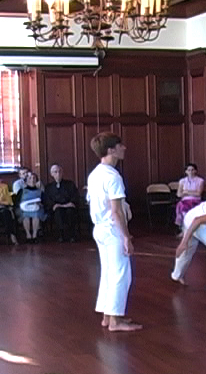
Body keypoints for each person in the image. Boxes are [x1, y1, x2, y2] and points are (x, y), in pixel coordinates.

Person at [87, 131, 142, 332]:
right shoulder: (113, 176)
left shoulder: (95, 174)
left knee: (109, 273)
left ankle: (107, 316)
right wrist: (126, 237)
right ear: (111, 150)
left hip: (100, 229)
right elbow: (117, 211)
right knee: (120, 274)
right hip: (112, 229)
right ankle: (115, 321)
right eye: (120, 145)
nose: (124, 148)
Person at [44, 164, 80, 243]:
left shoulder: (70, 184)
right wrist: (55, 205)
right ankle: (61, 235)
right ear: (52, 174)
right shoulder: (49, 187)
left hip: (69, 205)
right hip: (56, 208)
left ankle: (72, 235)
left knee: (70, 211)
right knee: (58, 212)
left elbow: (75, 196)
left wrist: (69, 204)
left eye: (60, 171)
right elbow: (48, 200)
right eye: (55, 172)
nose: (58, 174)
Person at [17, 172, 47, 243]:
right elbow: (17, 202)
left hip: (37, 208)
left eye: (34, 178)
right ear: (26, 180)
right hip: (24, 209)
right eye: (30, 178)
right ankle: (28, 235)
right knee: (25, 216)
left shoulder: (40, 191)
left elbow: (44, 202)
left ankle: (34, 235)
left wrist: (40, 204)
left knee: (36, 215)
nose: (32, 180)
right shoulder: (22, 191)